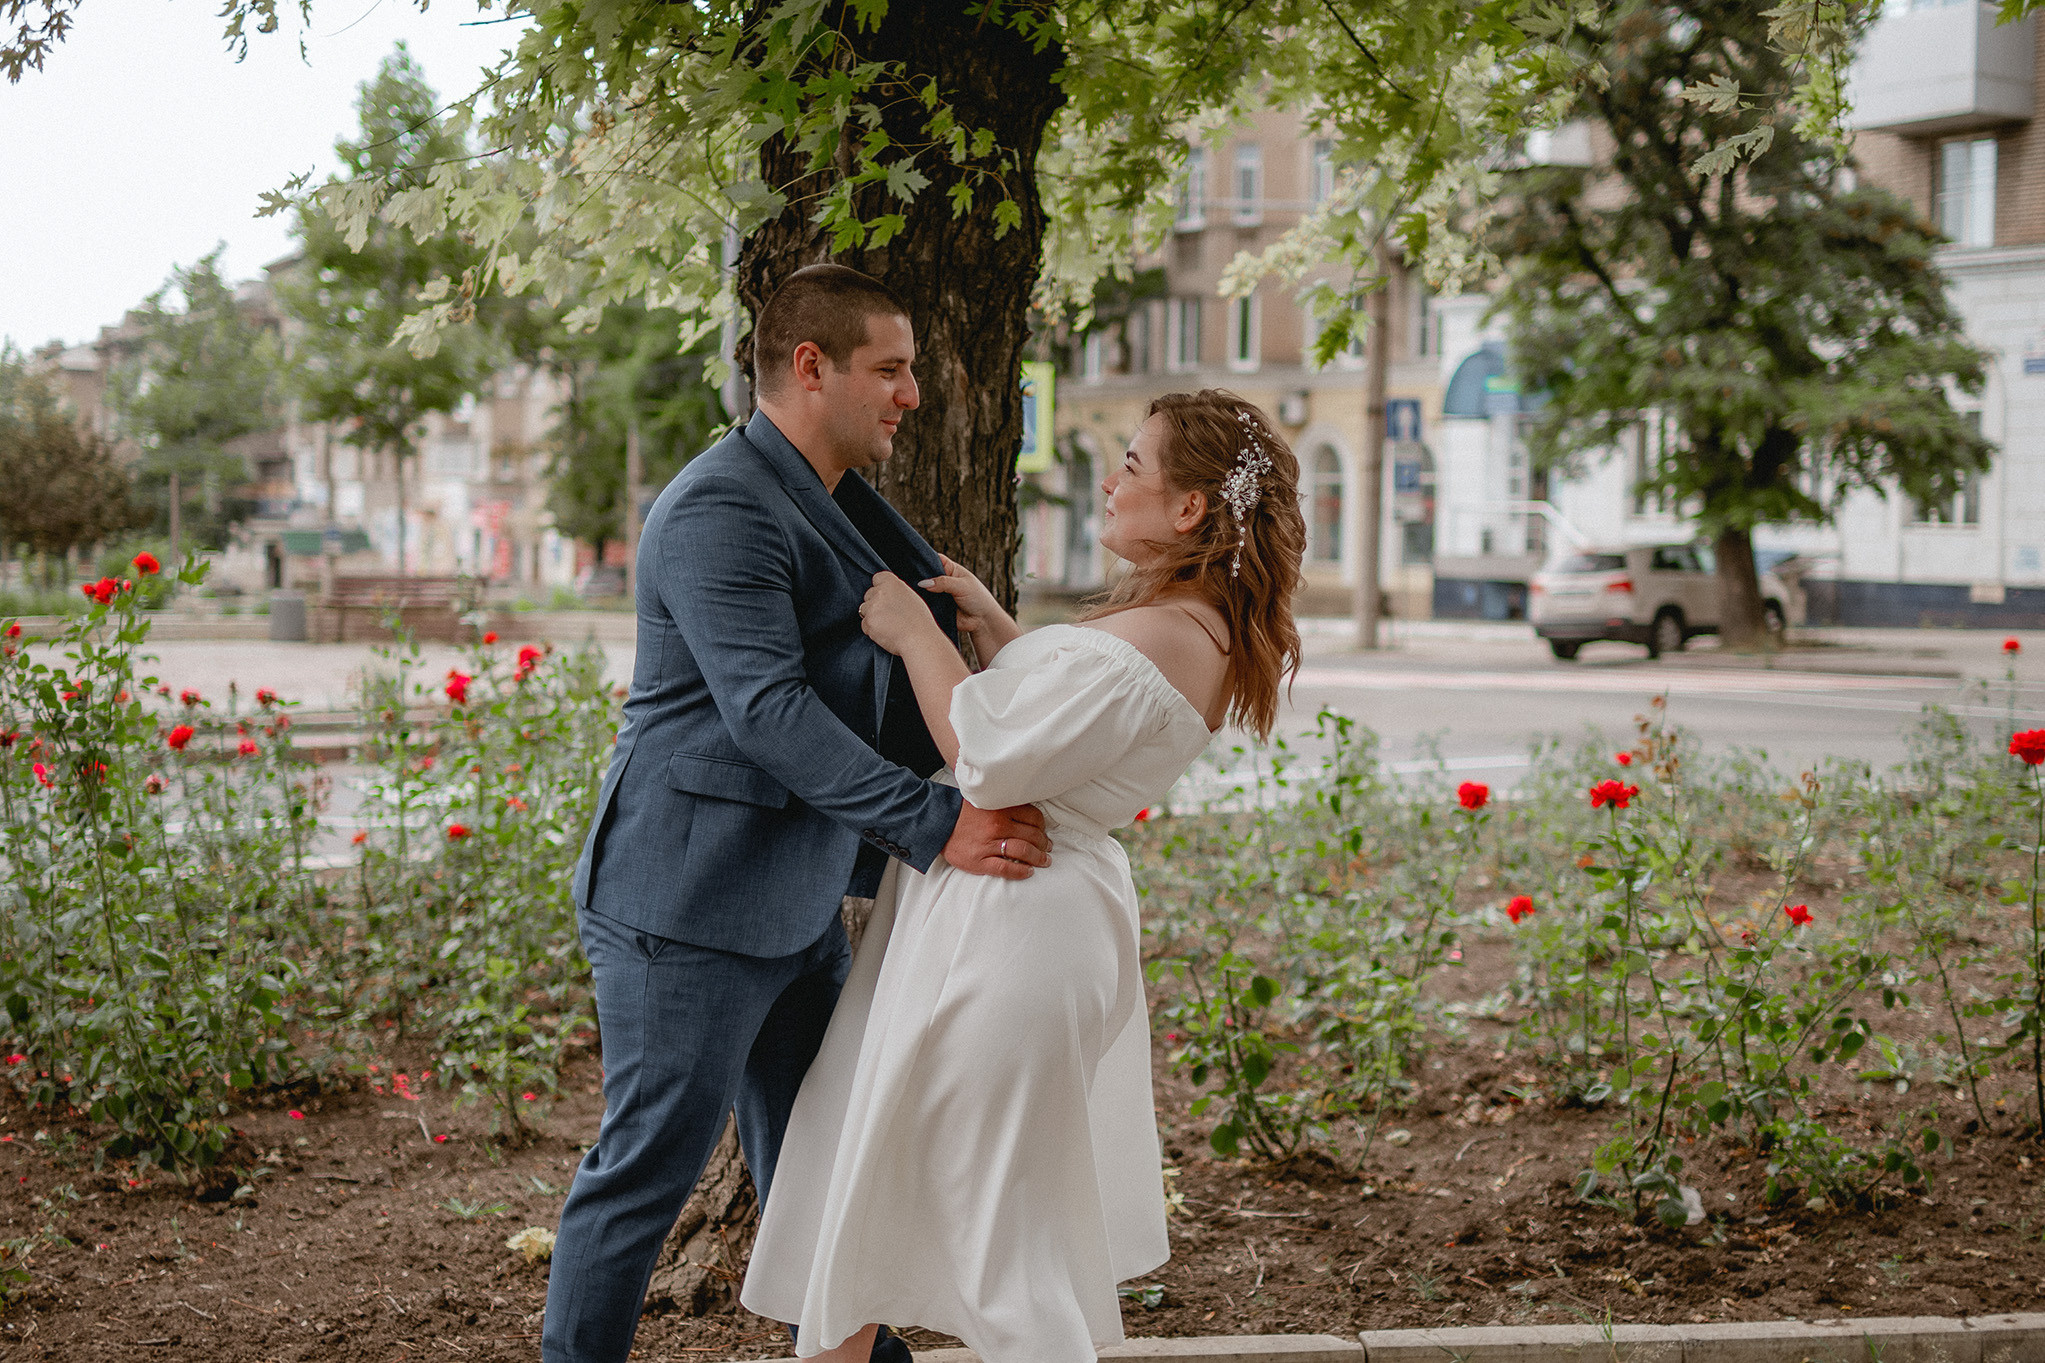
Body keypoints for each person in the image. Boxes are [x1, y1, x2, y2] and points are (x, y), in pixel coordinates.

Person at [542, 263, 1054, 1363]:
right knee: (643, 1178)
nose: (910, 394)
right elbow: (768, 712)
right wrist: (934, 824)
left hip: (792, 901)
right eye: (891, 369)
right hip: (681, 905)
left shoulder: (836, 503)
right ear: (809, 368)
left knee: (824, 1177)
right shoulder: (717, 507)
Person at [741, 390, 1306, 1363]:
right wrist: (1002, 630)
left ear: (1187, 508)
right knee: (869, 1203)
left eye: (1133, 461)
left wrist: (916, 634)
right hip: (1006, 922)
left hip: (1008, 934)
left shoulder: (1172, 630)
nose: (1112, 477)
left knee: (1002, 1252)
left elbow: (991, 761)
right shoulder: (1186, 622)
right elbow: (1063, 725)